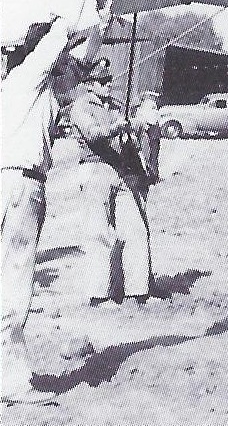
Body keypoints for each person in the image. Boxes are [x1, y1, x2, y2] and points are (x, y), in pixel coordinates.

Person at [1, 0, 112, 405]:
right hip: (20, 185)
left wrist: (101, 20)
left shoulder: (20, 87)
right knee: (14, 282)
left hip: (7, 181)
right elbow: (62, 40)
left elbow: (79, 60)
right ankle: (11, 383)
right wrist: (85, 5)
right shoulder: (32, 75)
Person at [67, 64, 155, 307]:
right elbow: (93, 134)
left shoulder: (115, 106)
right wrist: (117, 127)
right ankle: (98, 295)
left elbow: (130, 132)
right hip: (94, 169)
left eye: (108, 80)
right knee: (98, 233)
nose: (107, 84)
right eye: (101, 80)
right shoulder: (81, 107)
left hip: (121, 171)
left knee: (135, 229)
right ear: (89, 84)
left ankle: (138, 293)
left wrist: (134, 127)